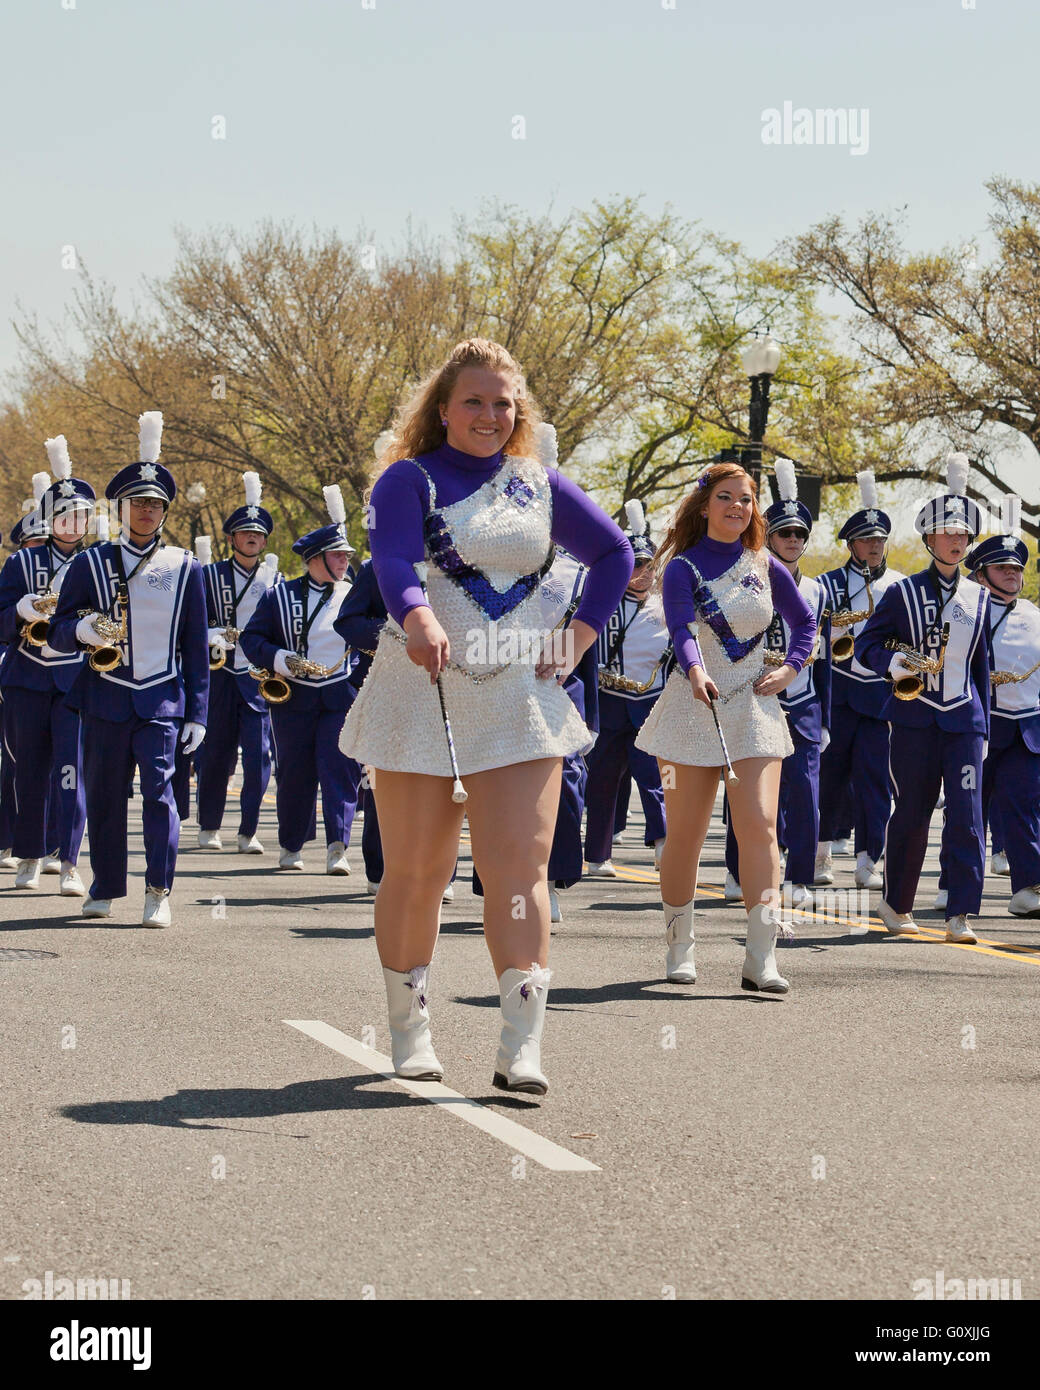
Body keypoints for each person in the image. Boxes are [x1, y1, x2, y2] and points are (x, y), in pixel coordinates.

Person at [339, 337, 632, 1094]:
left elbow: (616, 556)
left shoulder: (537, 482)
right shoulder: (409, 480)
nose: (491, 416)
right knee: (416, 871)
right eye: (474, 400)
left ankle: (520, 1045)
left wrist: (580, 634)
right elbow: (395, 559)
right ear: (443, 408)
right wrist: (415, 617)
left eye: (504, 404)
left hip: (518, 695)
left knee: (519, 869)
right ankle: (409, 1030)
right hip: (423, 688)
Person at [634, 459, 816, 993]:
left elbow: (805, 622)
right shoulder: (683, 568)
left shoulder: (763, 563)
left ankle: (761, 957)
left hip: (755, 709)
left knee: (760, 827)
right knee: (684, 836)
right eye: (727, 498)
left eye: (746, 499)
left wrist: (789, 668)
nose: (738, 507)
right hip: (692, 709)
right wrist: (693, 670)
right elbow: (682, 628)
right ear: (705, 505)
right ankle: (680, 945)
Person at [49, 412, 209, 927]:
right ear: (121, 508)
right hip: (104, 696)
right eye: (138, 502)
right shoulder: (89, 563)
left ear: (164, 510)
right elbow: (56, 630)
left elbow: (194, 645)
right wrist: (82, 630)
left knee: (161, 797)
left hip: (162, 697)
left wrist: (198, 714)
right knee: (104, 795)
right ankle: (106, 883)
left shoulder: (184, 566)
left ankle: (159, 889)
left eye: (155, 503)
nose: (146, 511)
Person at [856, 455, 990, 942]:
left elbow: (979, 664)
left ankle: (960, 913)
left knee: (968, 814)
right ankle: (896, 904)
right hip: (913, 718)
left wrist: (985, 732)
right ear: (929, 539)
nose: (956, 541)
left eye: (963, 535)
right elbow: (868, 645)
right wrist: (894, 664)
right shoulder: (901, 592)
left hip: (964, 719)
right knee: (912, 811)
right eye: (947, 533)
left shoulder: (980, 598)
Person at [724, 459, 831, 910]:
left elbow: (821, 656)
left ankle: (801, 874)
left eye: (799, 535)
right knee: (745, 792)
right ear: (768, 536)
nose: (791, 540)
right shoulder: (746, 575)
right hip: (751, 695)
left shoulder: (820, 592)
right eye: (784, 533)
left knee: (805, 793)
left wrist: (824, 713)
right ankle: (735, 869)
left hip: (802, 699)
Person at [239, 487, 361, 874]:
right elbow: (251, 639)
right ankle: (292, 844)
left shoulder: (355, 594)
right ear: (316, 559)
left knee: (339, 767)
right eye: (338, 555)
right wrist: (280, 658)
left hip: (340, 693)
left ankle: (337, 845)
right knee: (294, 771)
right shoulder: (279, 596)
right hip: (293, 697)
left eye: (346, 556)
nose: (345, 561)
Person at [0, 444, 94, 894]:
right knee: (29, 771)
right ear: (49, 518)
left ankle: (71, 860)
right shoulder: (21, 561)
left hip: (78, 680)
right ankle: (30, 856)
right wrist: (21, 609)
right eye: (65, 515)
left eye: (80, 515)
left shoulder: (99, 564)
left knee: (72, 772)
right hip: (28, 680)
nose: (73, 523)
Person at [815, 470, 906, 890]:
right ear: (851, 544)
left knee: (874, 781)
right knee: (828, 779)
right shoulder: (826, 585)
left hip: (879, 694)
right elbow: (808, 635)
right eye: (866, 541)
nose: (874, 547)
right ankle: (819, 854)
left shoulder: (900, 586)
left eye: (880, 541)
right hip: (835, 691)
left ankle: (870, 857)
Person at [584, 499, 669, 878]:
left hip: (651, 704)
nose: (644, 573)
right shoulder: (603, 603)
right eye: (636, 565)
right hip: (611, 703)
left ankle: (665, 845)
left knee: (657, 780)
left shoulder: (666, 606)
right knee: (602, 780)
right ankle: (598, 854)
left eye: (649, 565)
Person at [195, 473, 278, 854]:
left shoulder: (274, 579)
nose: (252, 538)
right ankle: (209, 825)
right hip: (220, 675)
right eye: (245, 533)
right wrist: (212, 633)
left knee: (259, 760)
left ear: (264, 541)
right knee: (214, 753)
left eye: (258, 534)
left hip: (258, 676)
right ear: (232, 538)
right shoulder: (208, 575)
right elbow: (192, 621)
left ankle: (249, 831)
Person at [964, 523, 1040, 918]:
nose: (1012, 573)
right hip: (978, 724)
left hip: (1025, 728)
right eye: (1001, 567)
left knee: (1023, 804)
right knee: (967, 809)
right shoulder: (965, 611)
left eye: (1015, 567)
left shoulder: (1034, 615)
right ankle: (956, 887)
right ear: (981, 574)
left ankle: (1028, 888)